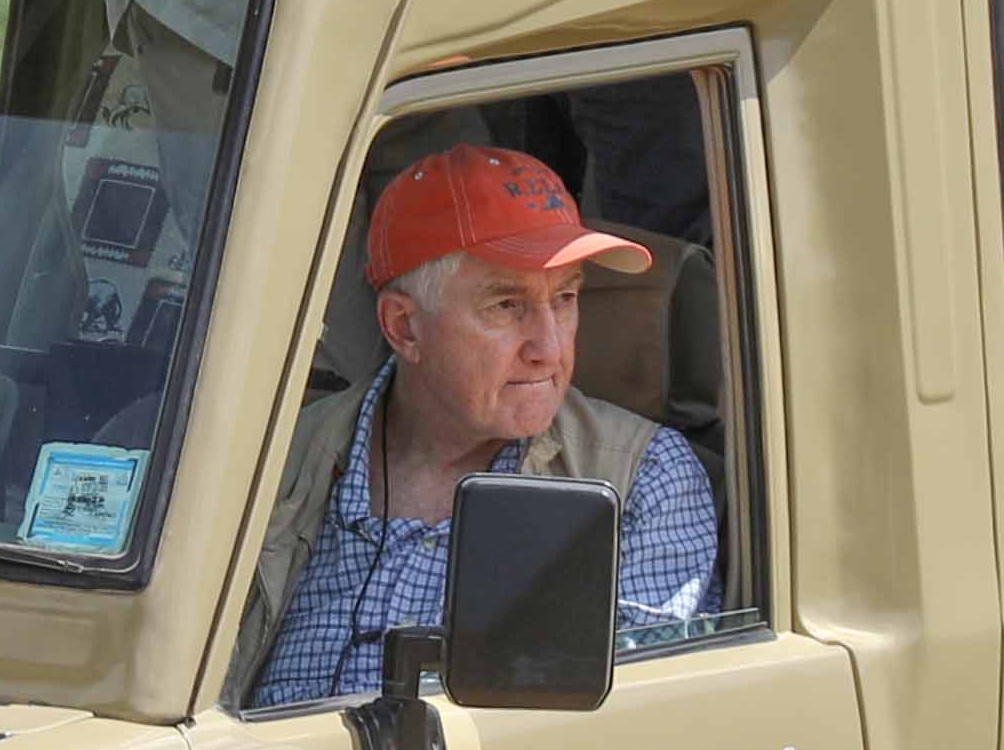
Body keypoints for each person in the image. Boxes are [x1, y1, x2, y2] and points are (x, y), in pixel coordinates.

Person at [245, 146, 722, 709]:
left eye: (566, 297)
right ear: (404, 327)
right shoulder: (280, 452)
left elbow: (626, 728)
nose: (549, 348)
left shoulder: (639, 476)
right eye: (506, 305)